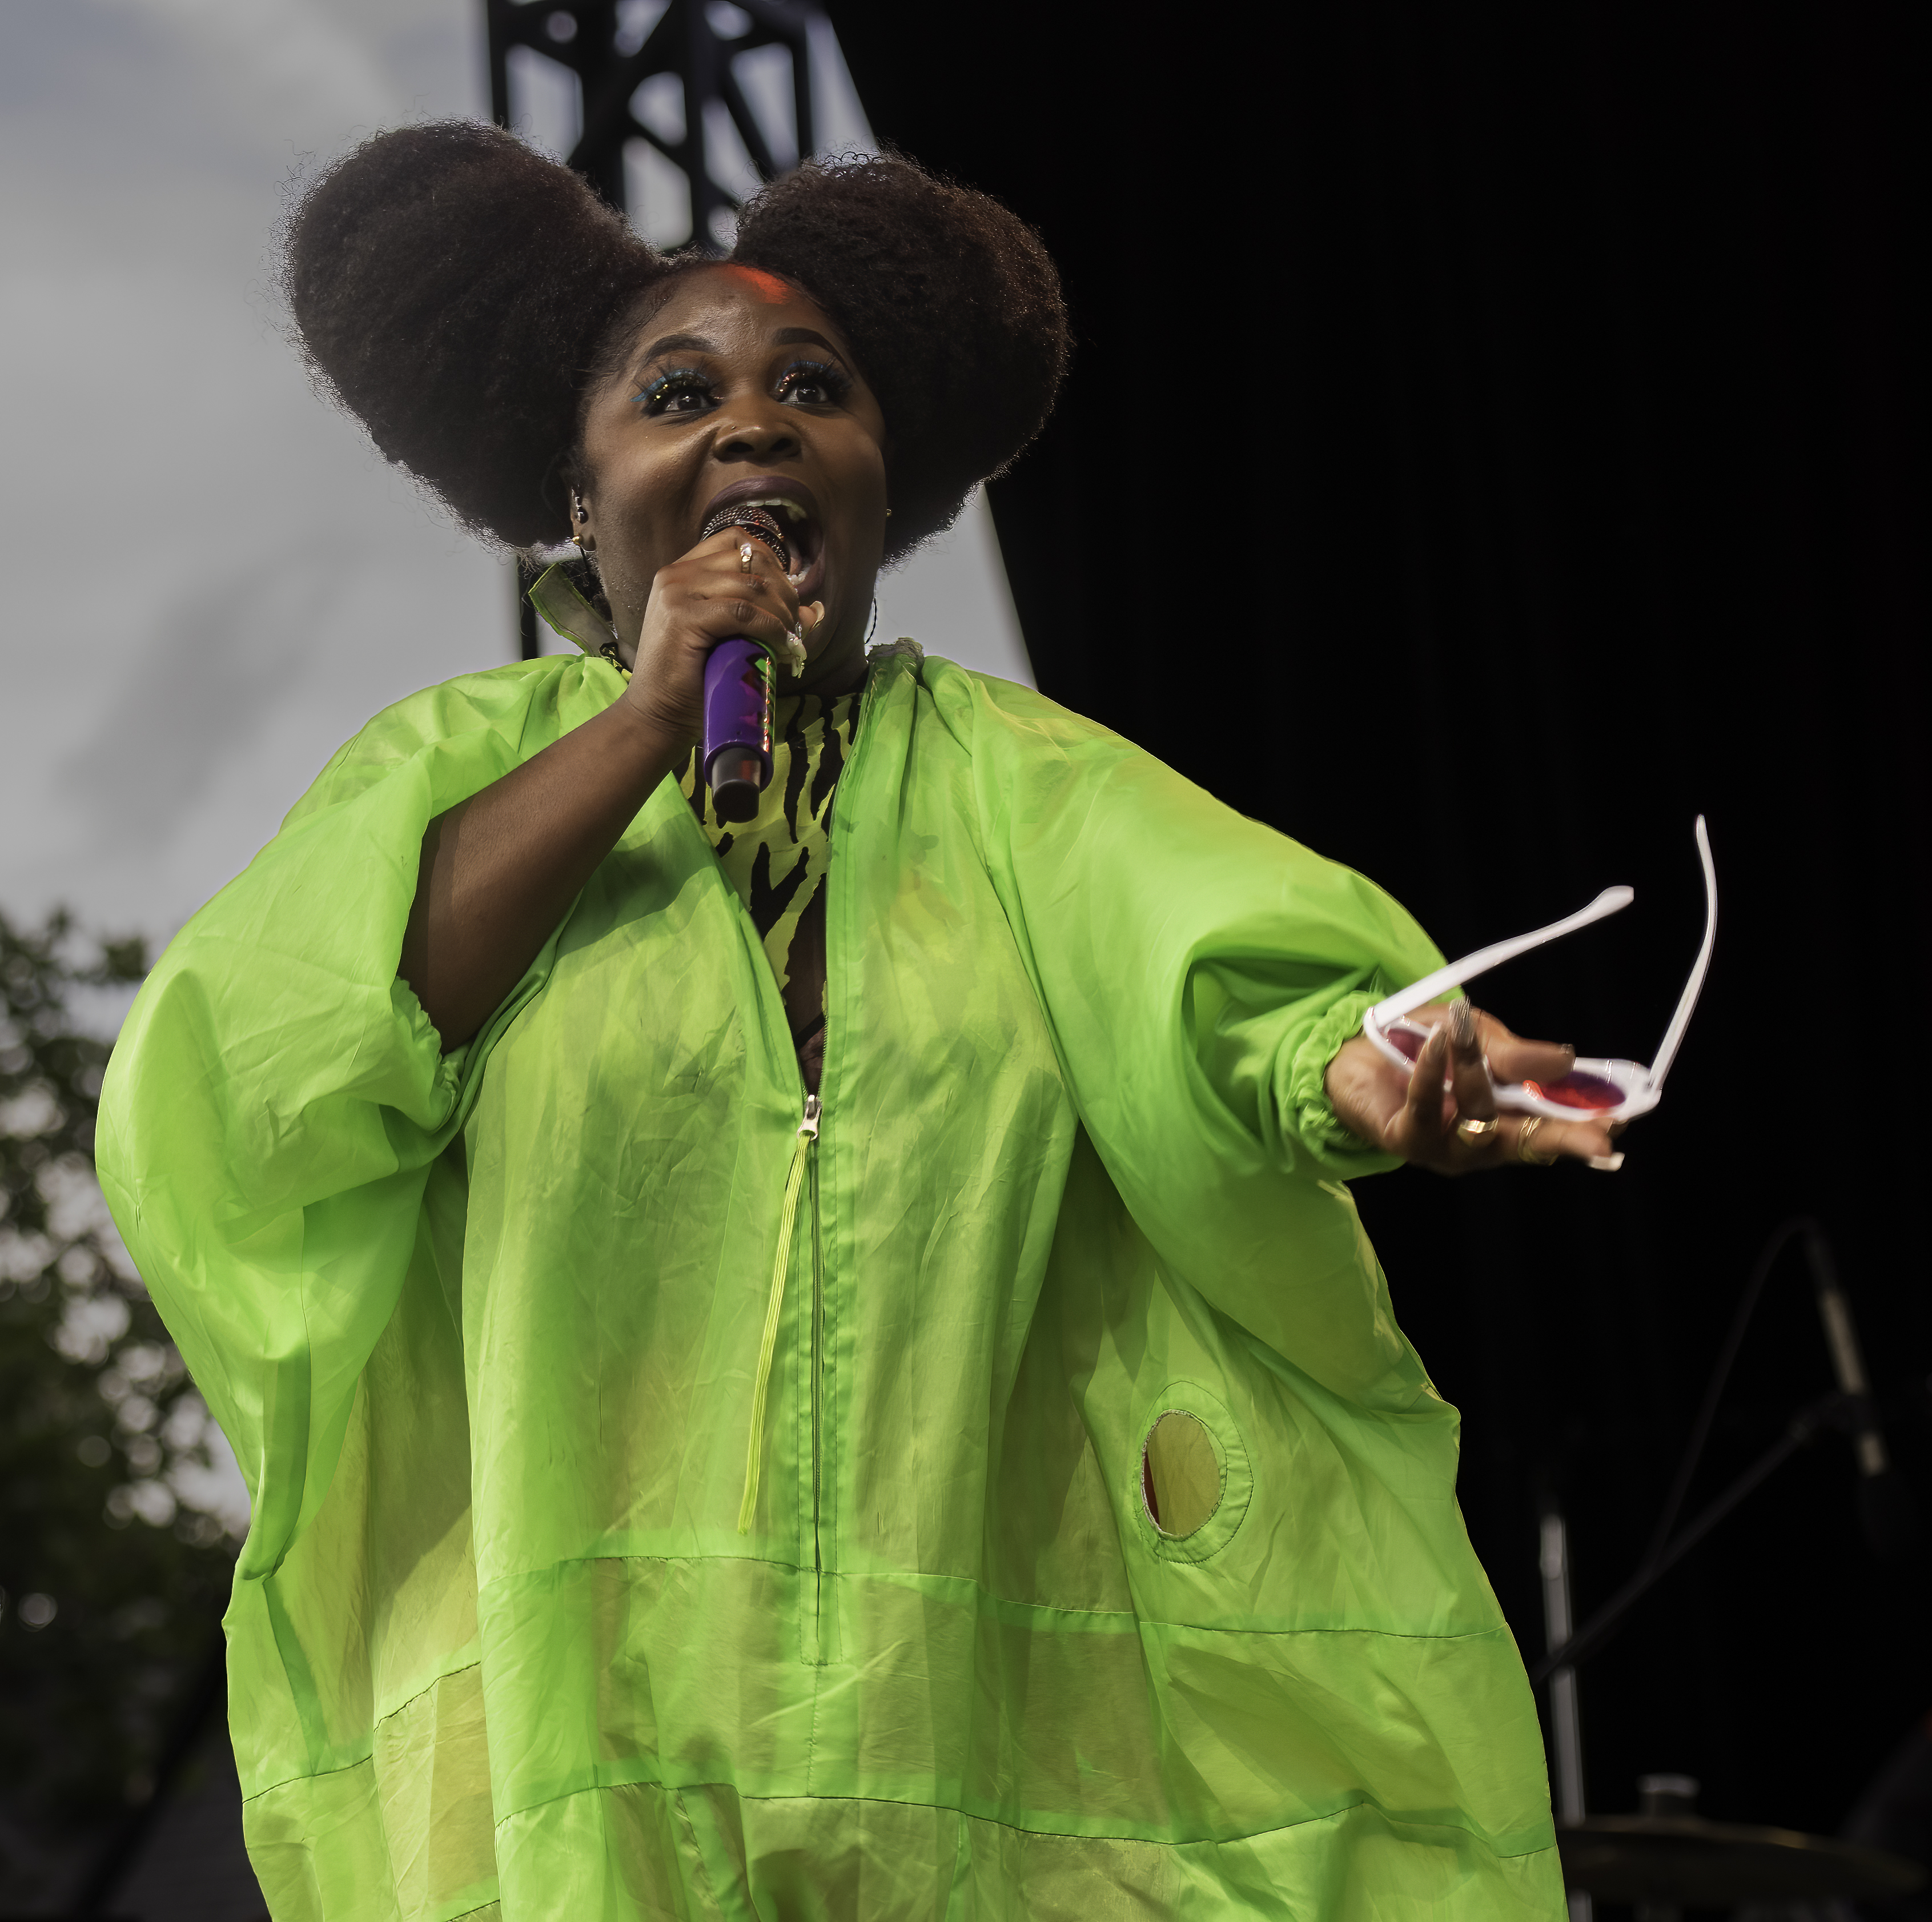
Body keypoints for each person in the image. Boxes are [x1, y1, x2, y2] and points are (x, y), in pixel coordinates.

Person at [98, 123, 1621, 1920]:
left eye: (810, 388)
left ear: (882, 487)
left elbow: (1221, 972)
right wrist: (646, 721)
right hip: (597, 1764)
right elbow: (268, 1075)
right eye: (676, 392)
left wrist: (1374, 1066)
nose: (750, 421)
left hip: (989, 1771)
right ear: (577, 504)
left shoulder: (1023, 784)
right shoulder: (456, 778)